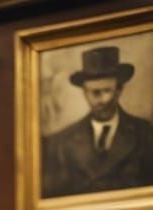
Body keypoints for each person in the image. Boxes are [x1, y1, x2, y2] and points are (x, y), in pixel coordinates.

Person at [42, 44, 153, 199]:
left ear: (119, 90)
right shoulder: (61, 143)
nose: (103, 100)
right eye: (95, 93)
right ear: (85, 93)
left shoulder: (146, 133)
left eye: (108, 90)